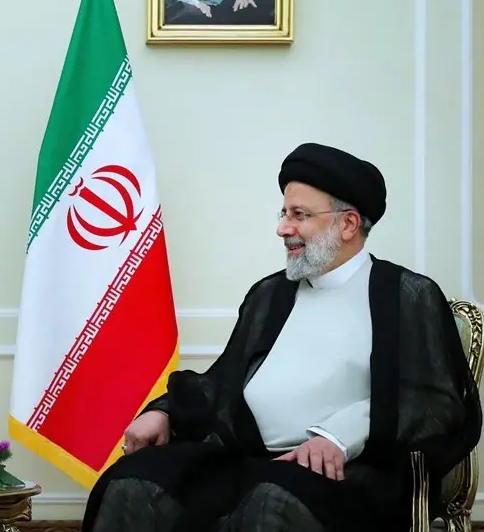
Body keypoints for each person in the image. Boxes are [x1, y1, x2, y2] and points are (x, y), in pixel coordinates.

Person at [81, 142, 482, 532]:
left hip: (346, 472)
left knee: (272, 502)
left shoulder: (406, 294)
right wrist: (165, 412)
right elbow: (223, 381)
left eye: (299, 215)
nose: (282, 228)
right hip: (245, 460)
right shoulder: (269, 294)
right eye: (284, 213)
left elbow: (435, 400)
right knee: (132, 483)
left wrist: (339, 436)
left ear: (348, 224)